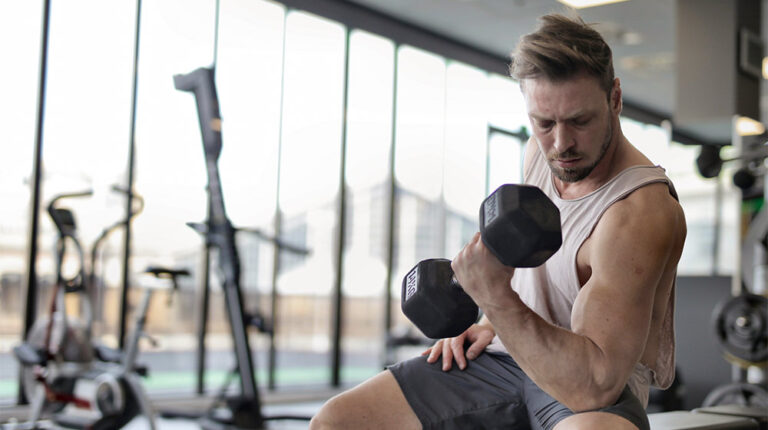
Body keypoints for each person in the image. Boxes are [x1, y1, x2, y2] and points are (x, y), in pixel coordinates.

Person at [309, 13, 686, 430]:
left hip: (585, 386)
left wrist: (493, 299)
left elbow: (594, 385)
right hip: (506, 358)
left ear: (614, 98)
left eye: (580, 121)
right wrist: (489, 323)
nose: (561, 144)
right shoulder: (542, 155)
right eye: (544, 123)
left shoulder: (638, 212)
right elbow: (535, 273)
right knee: (336, 421)